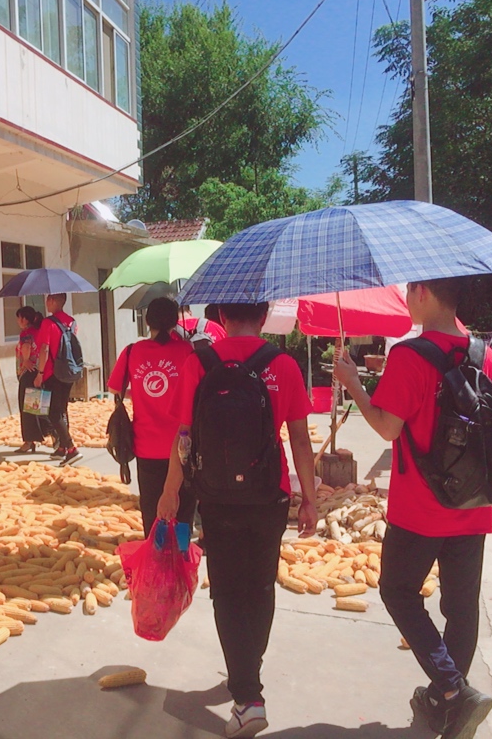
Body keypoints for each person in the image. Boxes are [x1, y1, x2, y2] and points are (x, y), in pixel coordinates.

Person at [334, 278, 492, 739]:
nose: (406, 299)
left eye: (409, 291)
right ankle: (449, 704)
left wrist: (353, 384)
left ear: (424, 292)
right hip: (474, 505)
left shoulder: (409, 355)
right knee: (461, 607)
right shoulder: (484, 355)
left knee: (398, 591)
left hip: (420, 508)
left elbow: (386, 426)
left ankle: (453, 689)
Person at [157, 302, 317, 739]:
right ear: (264, 317)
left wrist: (171, 491)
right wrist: (309, 500)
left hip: (217, 497)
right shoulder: (282, 364)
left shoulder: (199, 363)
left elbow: (183, 437)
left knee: (227, 592)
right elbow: (300, 439)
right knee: (260, 587)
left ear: (222, 317)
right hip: (269, 495)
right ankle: (249, 673)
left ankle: (247, 696)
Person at [107, 297, 197, 537]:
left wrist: (138, 391)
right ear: (175, 322)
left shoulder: (132, 351)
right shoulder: (187, 351)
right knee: (183, 512)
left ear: (147, 322)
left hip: (146, 446)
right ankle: (181, 554)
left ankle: (157, 555)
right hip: (182, 446)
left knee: (153, 512)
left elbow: (114, 388)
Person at [34, 293, 80, 466]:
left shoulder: (48, 323)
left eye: (47, 299)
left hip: (52, 373)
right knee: (62, 409)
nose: (46, 302)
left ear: (53, 301)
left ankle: (71, 448)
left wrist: (40, 373)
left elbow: (44, 349)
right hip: (69, 370)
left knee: (53, 412)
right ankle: (62, 447)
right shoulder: (72, 322)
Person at [15, 306, 52, 453]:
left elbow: (26, 347)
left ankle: (29, 441)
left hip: (28, 373)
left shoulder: (26, 333)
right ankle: (50, 433)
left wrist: (25, 360)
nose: (18, 321)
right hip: (38, 372)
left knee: (26, 408)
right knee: (37, 405)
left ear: (24, 319)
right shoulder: (39, 331)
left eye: (19, 318)